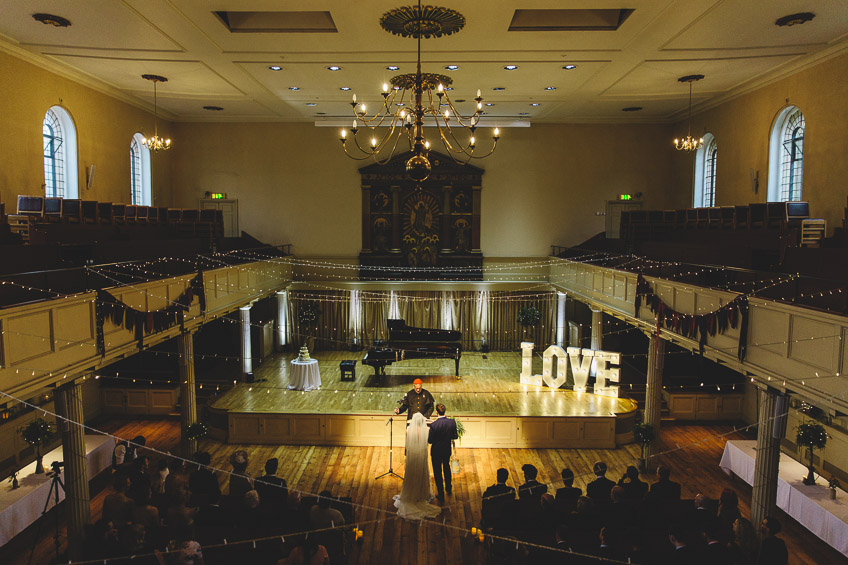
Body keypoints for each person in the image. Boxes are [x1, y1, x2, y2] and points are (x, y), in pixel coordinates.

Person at [393, 412, 441, 519]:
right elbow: (427, 442)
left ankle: (411, 492)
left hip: (412, 454)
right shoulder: (426, 430)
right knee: (421, 472)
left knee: (411, 473)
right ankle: (421, 493)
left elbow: (407, 444)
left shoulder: (408, 430)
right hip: (421, 455)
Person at [428, 403, 458, 502]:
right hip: (446, 450)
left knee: (437, 472)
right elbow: (455, 436)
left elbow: (430, 441)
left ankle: (441, 494)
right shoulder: (452, 422)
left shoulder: (434, 425)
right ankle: (448, 489)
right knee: (446, 468)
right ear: (444, 411)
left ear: (436, 412)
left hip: (436, 451)